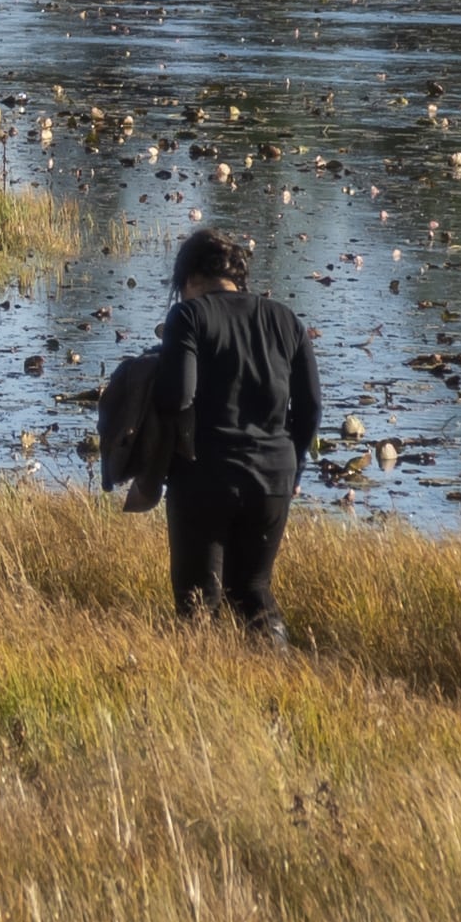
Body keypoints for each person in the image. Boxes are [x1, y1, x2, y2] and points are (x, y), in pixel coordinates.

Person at [149, 227, 319, 643]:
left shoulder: (189, 316)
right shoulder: (287, 320)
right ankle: (278, 675)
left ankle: (197, 694)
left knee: (197, 603)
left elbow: (176, 397)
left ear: (188, 276)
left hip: (206, 475)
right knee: (252, 590)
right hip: (274, 478)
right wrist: (292, 468)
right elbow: (311, 406)